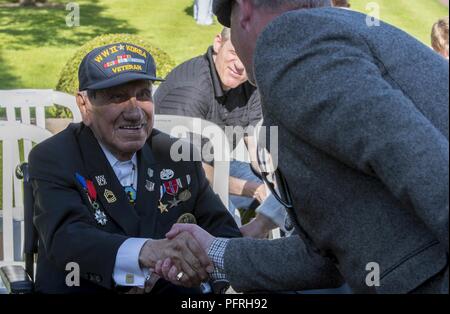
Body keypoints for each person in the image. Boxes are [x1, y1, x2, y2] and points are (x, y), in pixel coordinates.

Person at [154, 0, 449, 294]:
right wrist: (214, 251)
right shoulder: (333, 33)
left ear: (243, 11)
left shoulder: (289, 39)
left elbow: (415, 158)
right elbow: (326, 257)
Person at [28, 42, 241, 294]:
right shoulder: (54, 156)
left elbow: (224, 231)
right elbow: (68, 239)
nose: (134, 112)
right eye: (117, 97)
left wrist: (207, 275)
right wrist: (147, 254)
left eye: (142, 95)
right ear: (84, 105)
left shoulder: (177, 155)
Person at [155, 28, 284, 237]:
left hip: (218, 164)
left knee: (283, 196)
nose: (240, 65)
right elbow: (190, 170)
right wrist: (254, 189)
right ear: (218, 43)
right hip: (171, 180)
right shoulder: (191, 91)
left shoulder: (249, 83)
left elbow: (256, 149)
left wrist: (272, 178)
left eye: (248, 58)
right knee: (228, 222)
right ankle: (232, 255)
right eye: (234, 52)